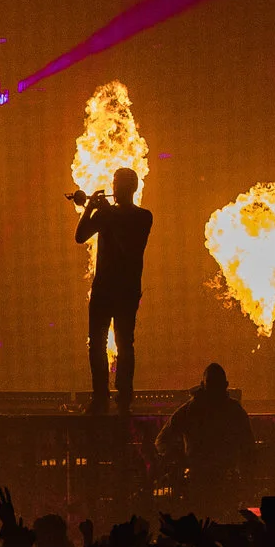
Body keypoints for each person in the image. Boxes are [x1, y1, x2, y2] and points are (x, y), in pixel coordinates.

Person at [69, 166, 153, 412]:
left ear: (133, 188)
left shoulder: (142, 216)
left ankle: (124, 397)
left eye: (121, 184)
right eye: (115, 183)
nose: (116, 189)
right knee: (97, 343)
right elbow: (80, 236)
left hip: (125, 290)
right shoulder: (107, 214)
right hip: (103, 289)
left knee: (124, 343)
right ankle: (101, 396)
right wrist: (89, 209)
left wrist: (108, 215)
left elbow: (130, 249)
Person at [160, 362, 254, 504]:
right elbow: (249, 448)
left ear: (202, 384)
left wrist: (180, 459)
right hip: (223, 484)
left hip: (200, 483)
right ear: (226, 385)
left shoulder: (189, 411)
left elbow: (162, 441)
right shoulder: (234, 411)